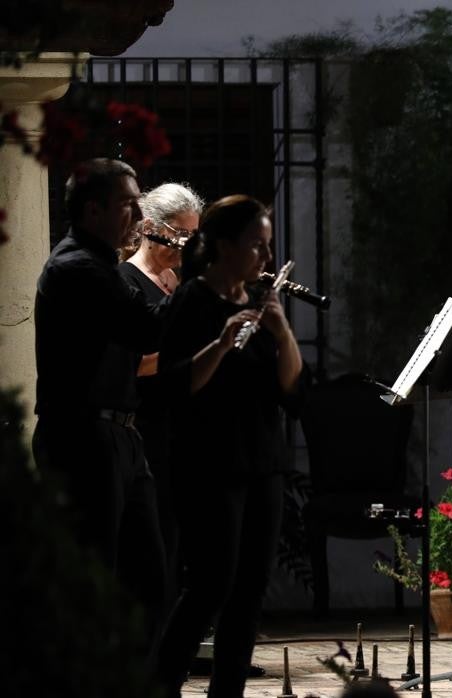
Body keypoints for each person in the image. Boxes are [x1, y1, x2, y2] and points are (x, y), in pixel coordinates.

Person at [155, 195, 303, 698]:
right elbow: (177, 385)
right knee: (210, 586)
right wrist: (220, 344)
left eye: (268, 247)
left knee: (249, 594)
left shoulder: (262, 303)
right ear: (223, 247)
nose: (264, 257)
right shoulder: (193, 300)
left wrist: (283, 334)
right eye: (255, 246)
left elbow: (291, 385)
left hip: (263, 461)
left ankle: (228, 694)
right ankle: (160, 683)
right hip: (210, 463)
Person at [31, 158, 169, 658]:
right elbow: (148, 331)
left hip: (119, 440)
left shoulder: (103, 266)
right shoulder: (78, 269)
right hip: (84, 442)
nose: (139, 214)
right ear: (93, 211)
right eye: (129, 203)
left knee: (150, 583)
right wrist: (205, 275)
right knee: (95, 587)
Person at [119, 182, 204, 597]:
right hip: (149, 431)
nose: (186, 245)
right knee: (159, 542)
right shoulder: (127, 282)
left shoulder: (174, 277)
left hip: (182, 429)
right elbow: (132, 365)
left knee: (185, 545)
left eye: (193, 236)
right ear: (151, 227)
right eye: (180, 235)